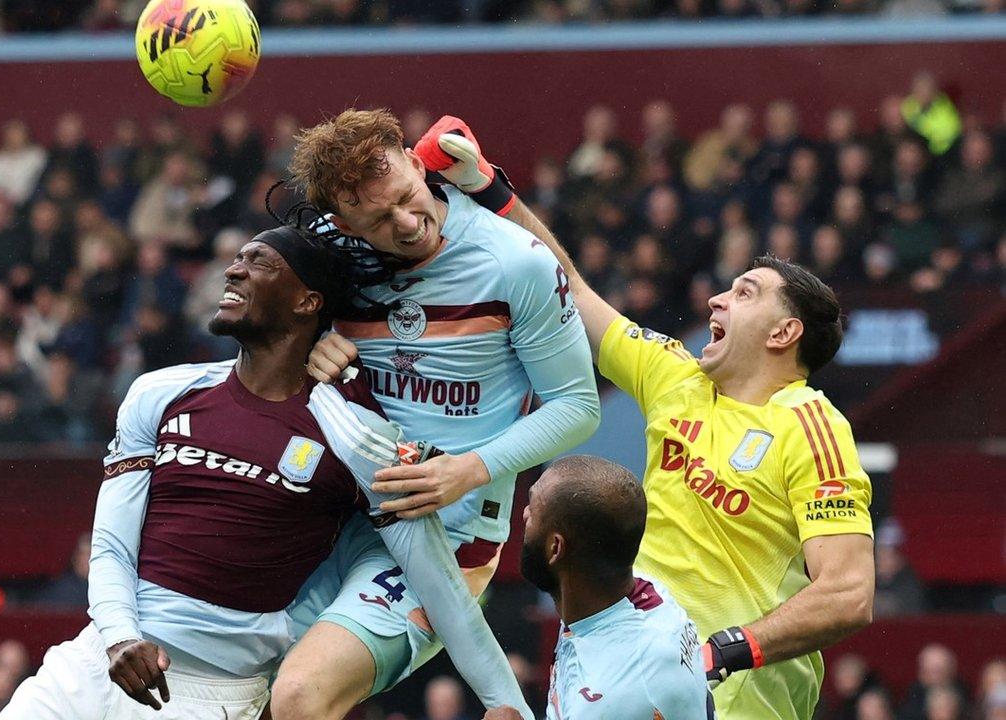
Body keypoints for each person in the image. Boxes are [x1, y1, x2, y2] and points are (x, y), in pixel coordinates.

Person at [322, 116, 877, 720]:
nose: (717, 298)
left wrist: (728, 650)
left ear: (785, 332)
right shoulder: (675, 375)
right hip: (618, 670)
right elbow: (572, 291)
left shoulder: (808, 423)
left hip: (734, 697)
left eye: (744, 293)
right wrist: (491, 191)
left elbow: (848, 595)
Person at [0, 225, 528, 720]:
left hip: (208, 695)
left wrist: (505, 701)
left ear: (307, 301)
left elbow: (439, 584)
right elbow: (111, 545)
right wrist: (118, 637)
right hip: (95, 661)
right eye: (236, 259)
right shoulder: (160, 392)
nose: (232, 270)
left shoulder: (354, 435)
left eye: (258, 261)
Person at [283, 108, 601, 720]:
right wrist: (305, 350)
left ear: (413, 160)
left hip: (447, 536)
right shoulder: (328, 261)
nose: (408, 224)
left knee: (301, 695)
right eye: (379, 218)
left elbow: (578, 408)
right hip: (328, 518)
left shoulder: (515, 262)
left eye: (408, 197)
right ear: (341, 220)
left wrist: (467, 470)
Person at [487, 455, 710, 719]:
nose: (524, 514)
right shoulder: (613, 592)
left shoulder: (609, 696)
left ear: (555, 548)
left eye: (533, 509)